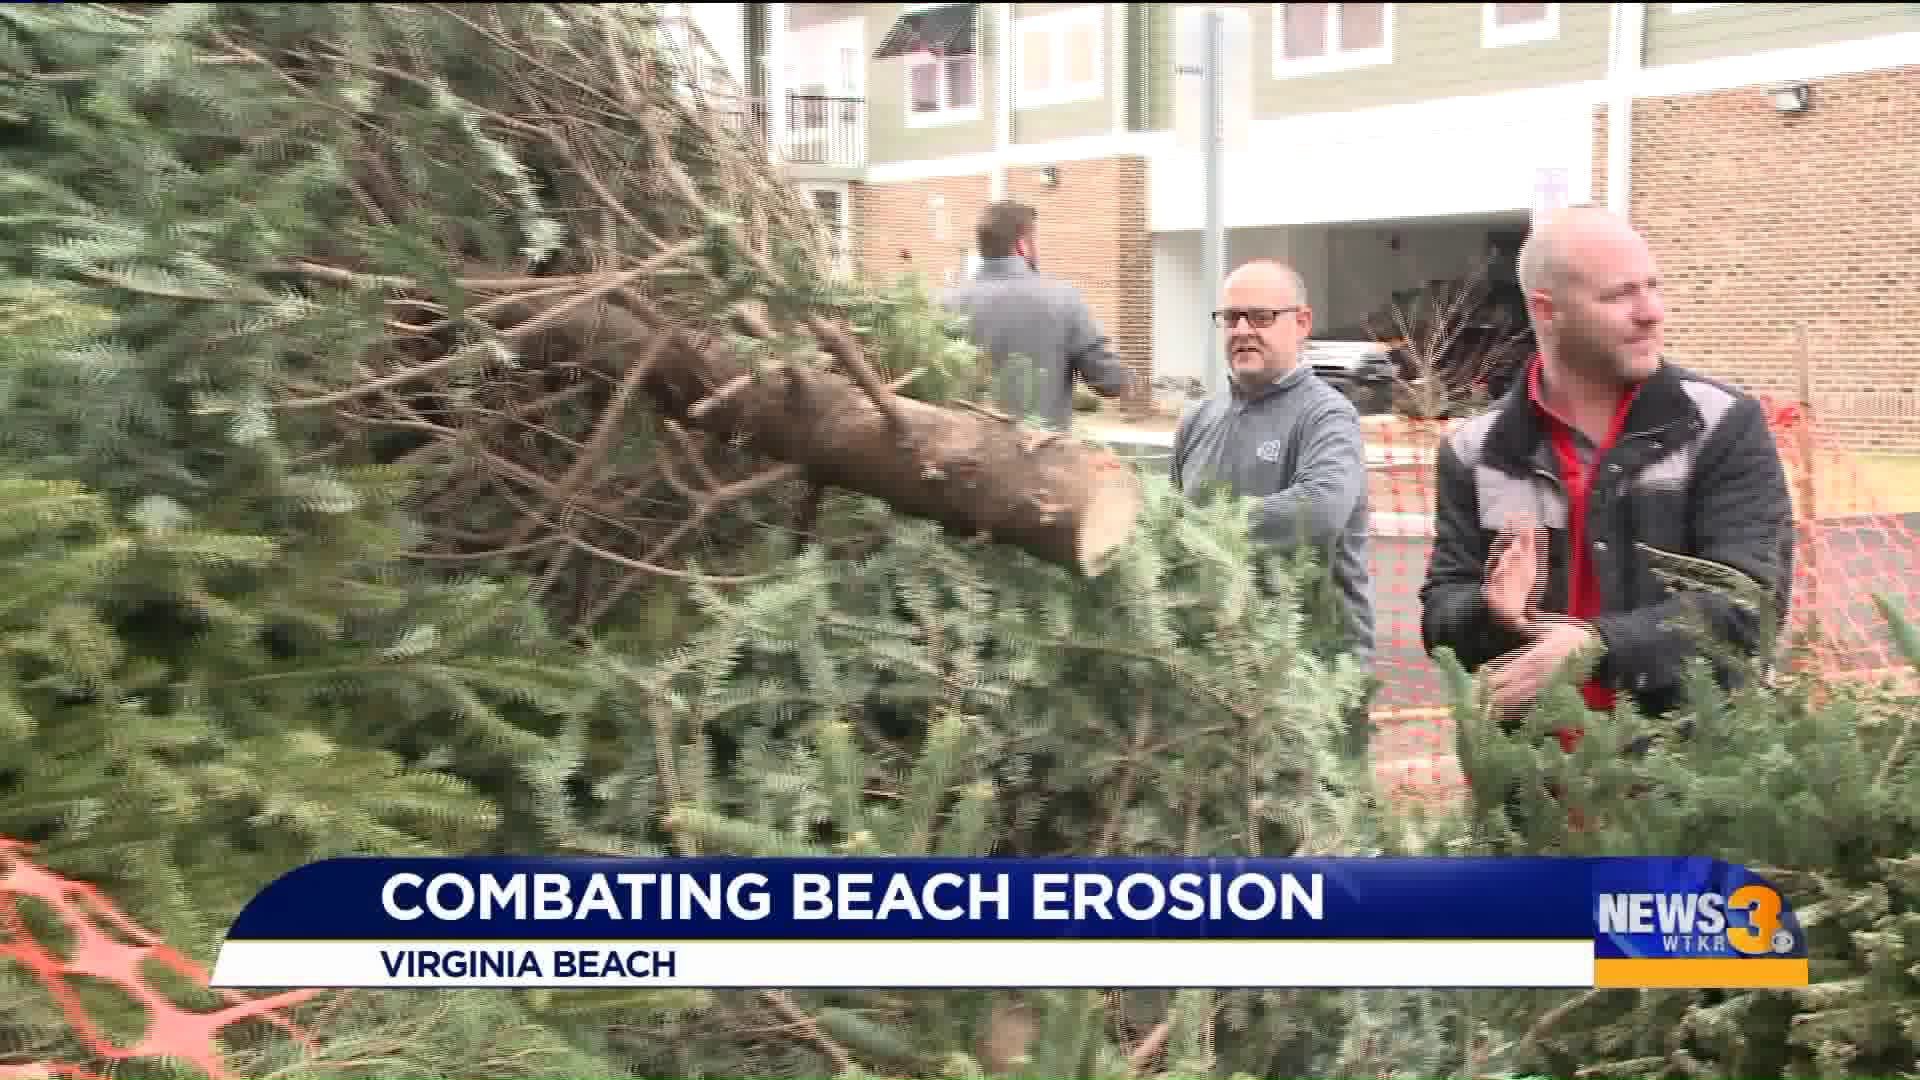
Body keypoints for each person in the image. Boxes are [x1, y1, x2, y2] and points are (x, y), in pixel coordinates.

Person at [1419, 206, 1794, 754]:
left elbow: (1749, 606)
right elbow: (1441, 616)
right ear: (1547, 311)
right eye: (1620, 296)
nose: (1651, 312)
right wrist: (1488, 614)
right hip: (1530, 782)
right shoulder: (1473, 451)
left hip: (1690, 777)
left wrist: (1597, 644)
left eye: (1653, 286)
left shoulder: (1722, 426)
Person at [1171, 259, 1377, 760]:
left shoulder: (1326, 415)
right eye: (1231, 317)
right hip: (1216, 668)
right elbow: (1167, 520)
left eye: (1260, 317)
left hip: (1314, 670)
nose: (1242, 330)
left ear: (1301, 322)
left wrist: (1209, 530)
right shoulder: (1200, 418)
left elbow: (1321, 507)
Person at [940, 200, 1135, 432]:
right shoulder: (1061, 298)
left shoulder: (944, 303)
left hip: (962, 454)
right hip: (1040, 458)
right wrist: (1129, 379)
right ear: (1022, 245)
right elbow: (1110, 382)